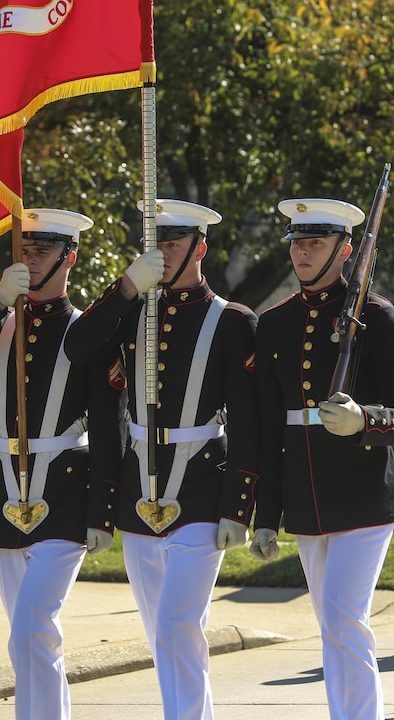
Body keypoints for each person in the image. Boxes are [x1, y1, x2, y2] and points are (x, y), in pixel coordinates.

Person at [64, 199, 258, 719]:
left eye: (174, 244)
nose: (164, 254)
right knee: (160, 632)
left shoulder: (232, 321)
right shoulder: (132, 313)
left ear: (201, 247)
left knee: (177, 623)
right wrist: (126, 287)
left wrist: (239, 506)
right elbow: (77, 348)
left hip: (200, 482)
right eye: (157, 244)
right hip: (138, 487)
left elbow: (247, 421)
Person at [0, 208, 124, 719]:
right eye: (24, 252)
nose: (31, 260)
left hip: (64, 490)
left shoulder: (86, 329)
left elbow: (109, 425)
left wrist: (103, 510)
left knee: (34, 623)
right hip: (5, 494)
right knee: (28, 635)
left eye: (41, 252)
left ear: (69, 258)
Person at [251, 197, 394, 719]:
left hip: (362, 495)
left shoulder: (377, 316)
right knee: (330, 623)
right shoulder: (276, 322)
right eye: (297, 243)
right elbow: (268, 430)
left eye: (315, 243)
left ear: (346, 250)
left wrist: (365, 420)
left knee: (346, 617)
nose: (302, 253)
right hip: (306, 498)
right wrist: (266, 517)